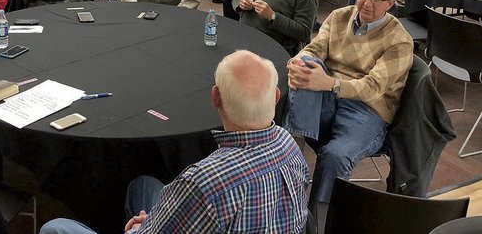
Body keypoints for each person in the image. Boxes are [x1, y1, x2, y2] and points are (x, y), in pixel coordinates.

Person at [40, 50, 310, 234]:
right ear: (275, 96)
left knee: (54, 228)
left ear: (215, 98)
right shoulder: (290, 146)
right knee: (143, 185)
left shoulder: (203, 181)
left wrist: (141, 228)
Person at [286, 0, 413, 224]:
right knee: (308, 65)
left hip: (368, 110)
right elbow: (314, 49)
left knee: (334, 155)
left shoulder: (399, 41)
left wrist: (331, 84)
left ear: (390, 3)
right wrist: (297, 62)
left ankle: (315, 221)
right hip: (329, 97)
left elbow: (373, 87)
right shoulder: (338, 16)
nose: (366, 2)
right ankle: (292, 150)